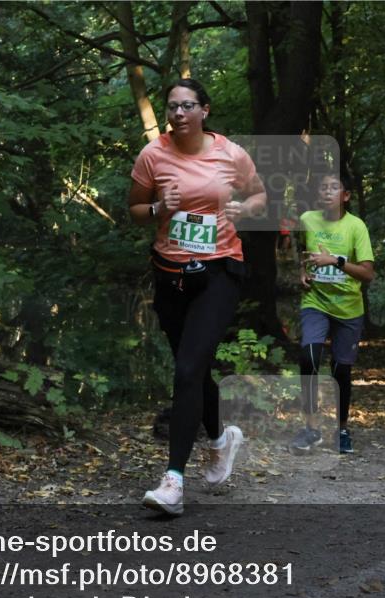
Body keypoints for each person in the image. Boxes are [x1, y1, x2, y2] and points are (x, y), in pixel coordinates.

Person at [128, 78, 267, 515]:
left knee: (188, 369)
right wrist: (157, 209)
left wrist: (246, 209)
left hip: (219, 272)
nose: (178, 113)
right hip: (170, 276)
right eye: (172, 106)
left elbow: (260, 194)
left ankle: (173, 481)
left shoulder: (230, 153)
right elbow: (135, 211)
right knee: (193, 369)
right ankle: (222, 439)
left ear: (205, 110)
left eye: (187, 105)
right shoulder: (153, 156)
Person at [289, 173, 375, 455]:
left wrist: (335, 261)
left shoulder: (356, 227)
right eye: (322, 188)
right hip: (316, 302)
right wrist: (303, 271)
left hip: (349, 309)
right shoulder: (308, 220)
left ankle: (341, 429)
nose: (326, 192)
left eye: (333, 188)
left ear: (346, 196)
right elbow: (302, 249)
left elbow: (367, 274)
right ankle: (311, 428)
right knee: (308, 358)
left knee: (341, 370)